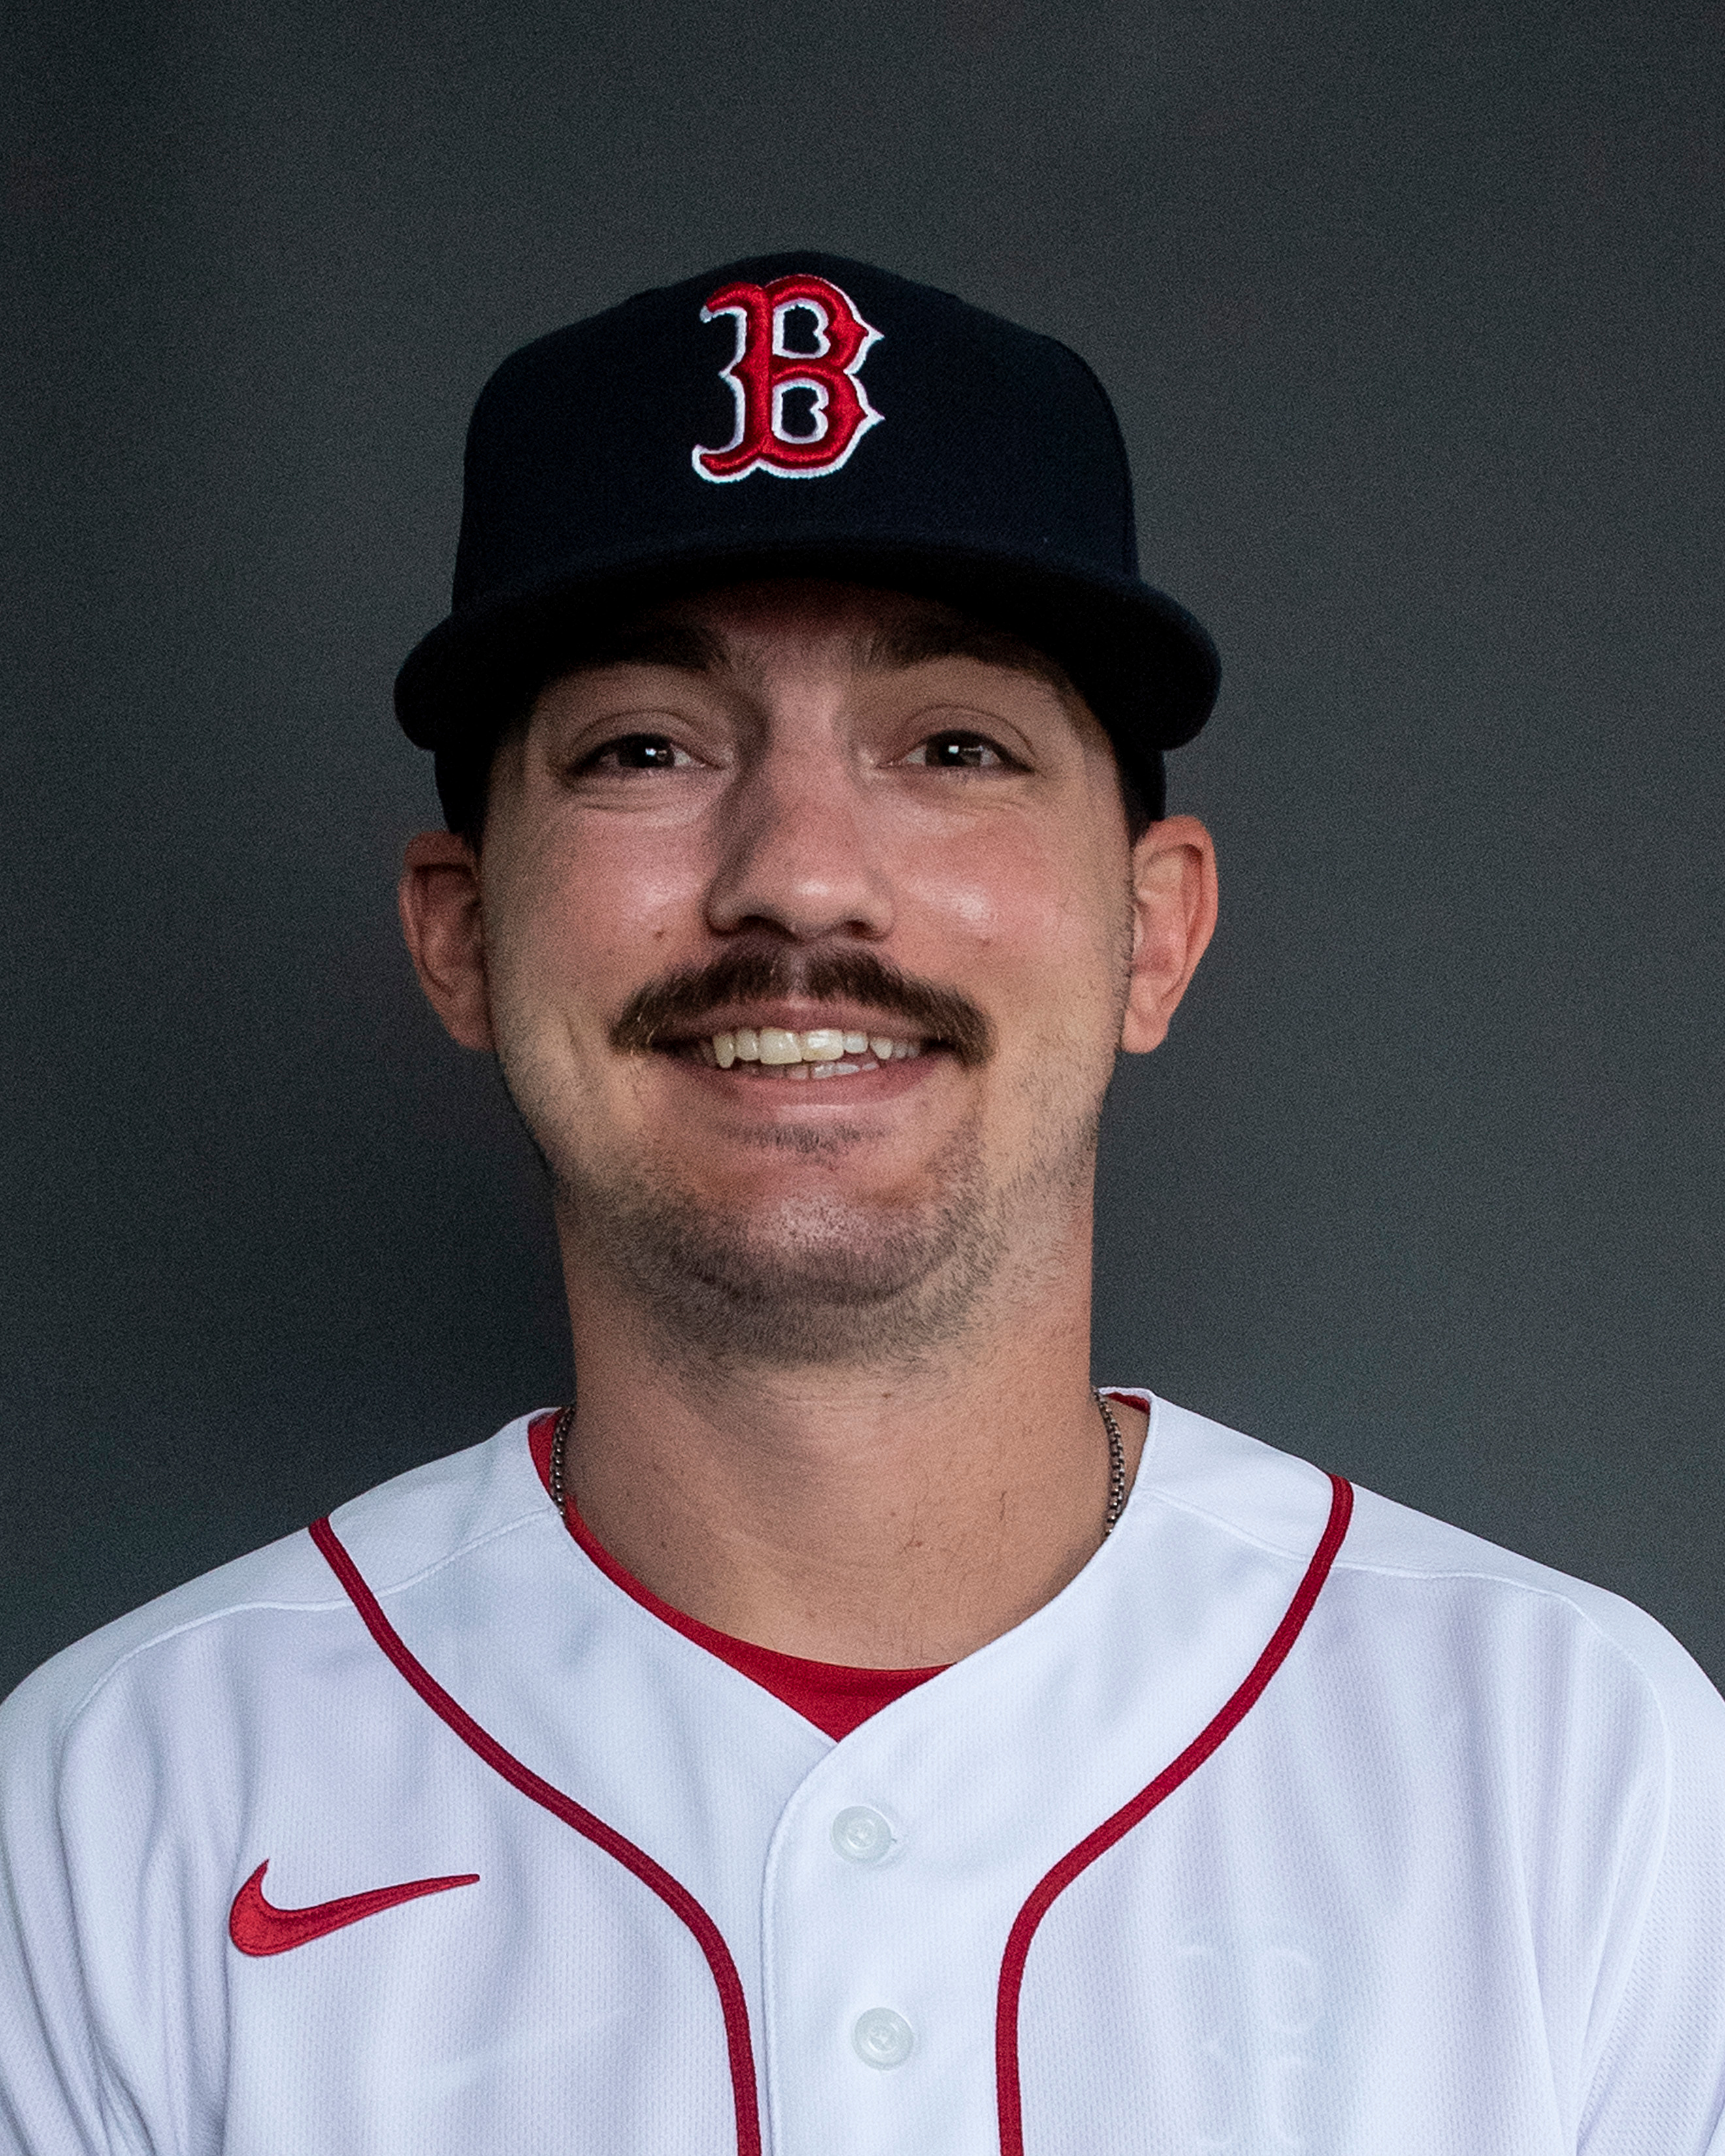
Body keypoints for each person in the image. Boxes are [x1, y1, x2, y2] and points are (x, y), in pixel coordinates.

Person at [2, 253, 1722, 2156]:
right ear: (460, 933)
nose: (802, 877)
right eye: (646, 748)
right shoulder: (116, 1817)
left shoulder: (1578, 1774)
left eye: (955, 747)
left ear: (1155, 929)